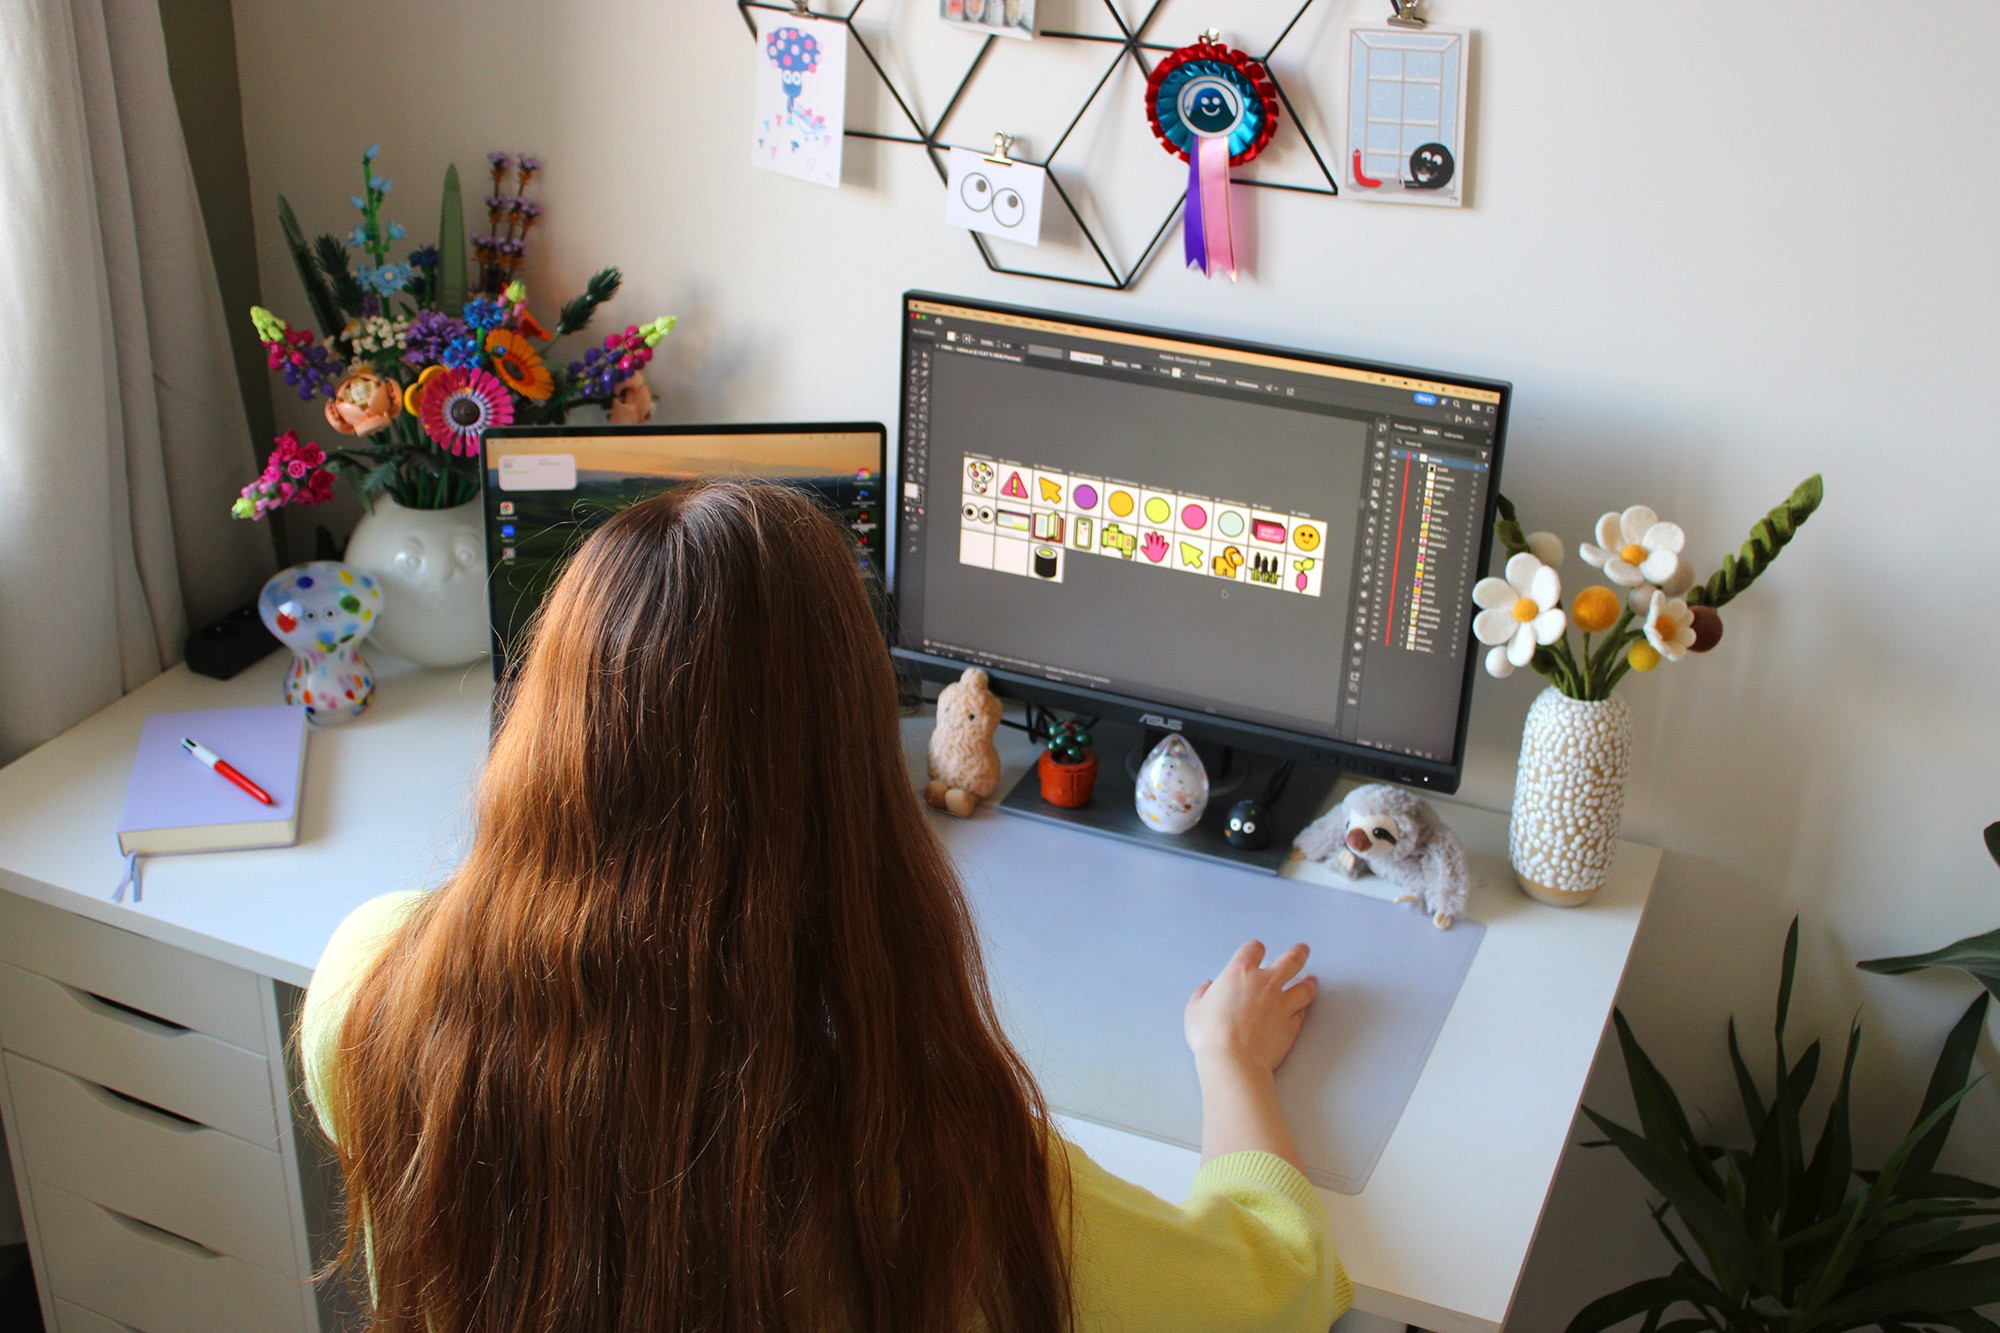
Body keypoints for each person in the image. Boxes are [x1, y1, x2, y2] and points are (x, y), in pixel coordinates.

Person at [301, 480, 1349, 1332]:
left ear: (550, 733)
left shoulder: (371, 983)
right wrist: (1230, 1060)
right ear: (847, 770)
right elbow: (1271, 1283)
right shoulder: (928, 1157)